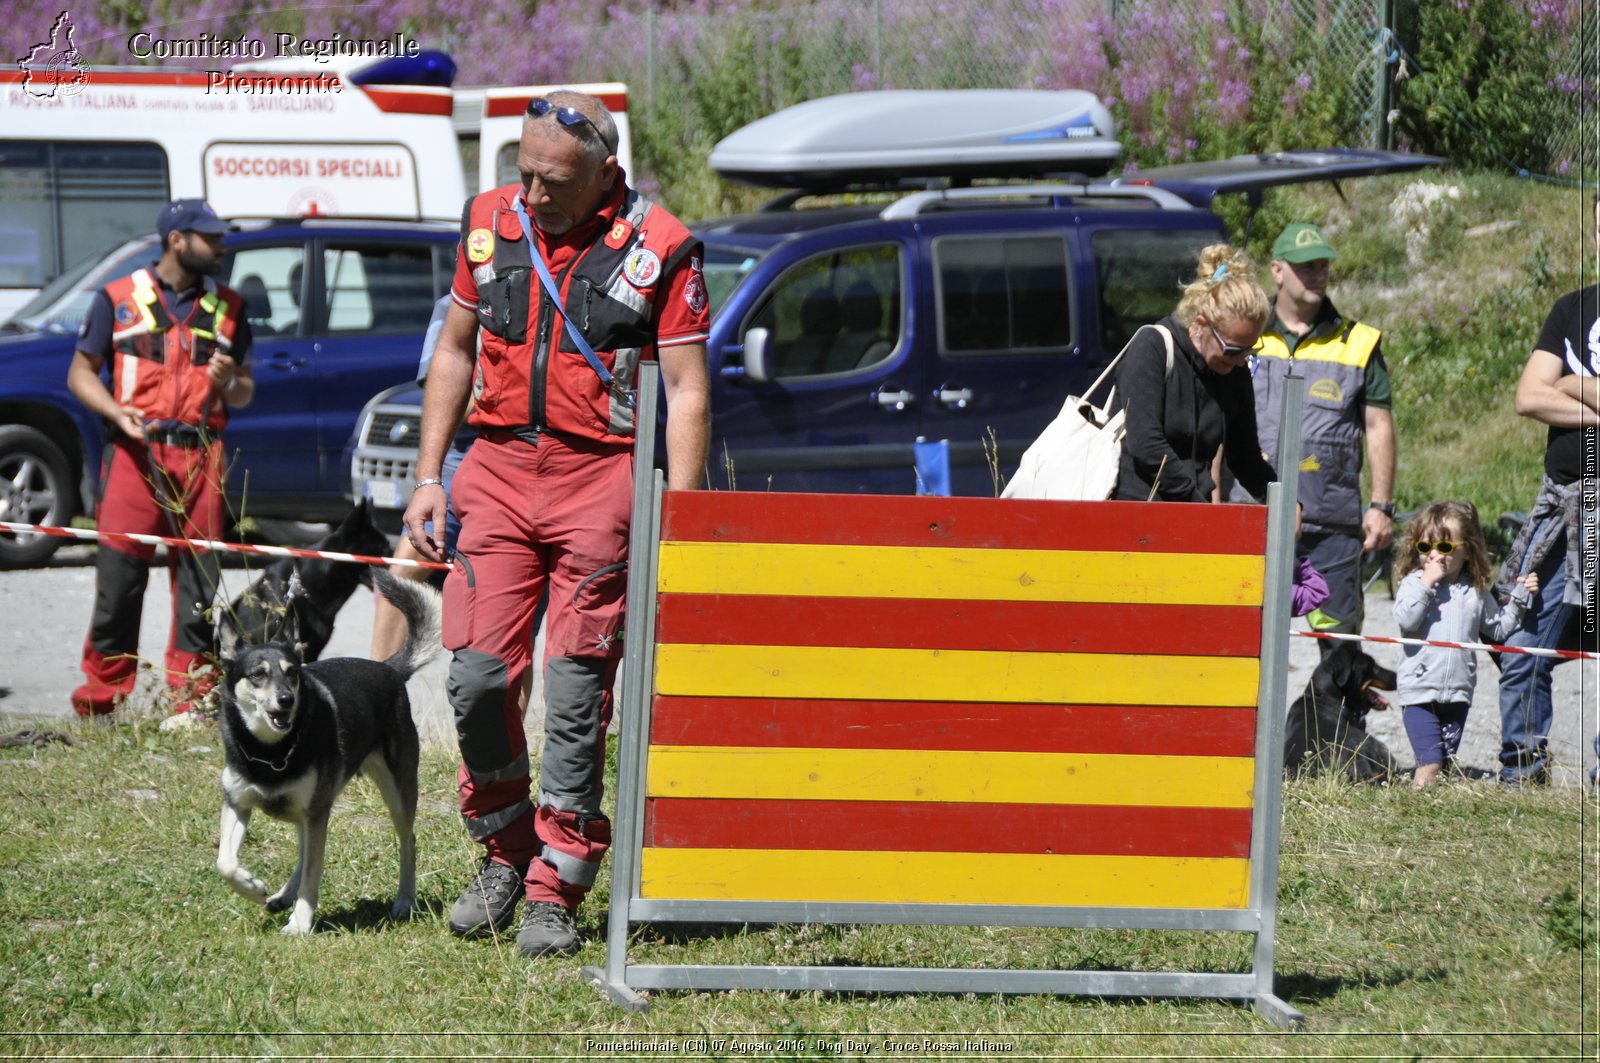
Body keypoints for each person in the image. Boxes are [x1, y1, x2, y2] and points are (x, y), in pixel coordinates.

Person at [403, 90, 711, 959]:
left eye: (554, 182)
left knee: (576, 697)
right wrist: (431, 476)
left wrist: (677, 516)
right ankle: (502, 852)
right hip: (496, 470)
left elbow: (686, 390)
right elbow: (455, 350)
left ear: (607, 174)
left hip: (598, 480)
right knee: (474, 678)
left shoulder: (663, 249)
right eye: (524, 174)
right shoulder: (487, 223)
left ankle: (556, 886)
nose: (532, 196)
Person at [67, 198, 255, 717]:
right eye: (210, 238)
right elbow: (80, 373)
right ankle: (101, 702)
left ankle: (189, 705)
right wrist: (115, 411)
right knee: (119, 586)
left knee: (199, 586)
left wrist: (228, 381)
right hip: (135, 453)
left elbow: (244, 392)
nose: (220, 247)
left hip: (203, 456)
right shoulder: (118, 299)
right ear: (177, 240)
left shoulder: (231, 307)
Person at [1234, 223, 1397, 646]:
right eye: (1305, 266)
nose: (1317, 274)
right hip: (1254, 516)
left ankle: (1331, 717)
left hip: (1333, 525)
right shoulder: (1245, 335)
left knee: (1339, 651)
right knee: (1243, 647)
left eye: (1322, 266)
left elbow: (1379, 425)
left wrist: (1382, 506)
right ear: (1277, 271)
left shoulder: (1359, 342)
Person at [1494, 196, 1599, 786]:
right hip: (1562, 501)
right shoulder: (1572, 308)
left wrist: (1571, 379)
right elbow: (1528, 397)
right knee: (1524, 636)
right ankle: (1522, 773)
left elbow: (1550, 386)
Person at [1114, 243, 1276, 503]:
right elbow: (1146, 445)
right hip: (1135, 512)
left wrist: (1282, 501)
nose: (1239, 361)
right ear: (1201, 325)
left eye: (1250, 350)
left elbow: (1244, 456)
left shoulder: (1234, 371)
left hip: (1193, 514)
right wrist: (1196, 505)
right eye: (1233, 349)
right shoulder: (1152, 347)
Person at [1393, 502, 1537, 788]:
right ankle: (1411, 812)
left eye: (1445, 548)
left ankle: (1433, 818)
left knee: (1444, 766)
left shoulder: (1475, 592)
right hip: (1419, 693)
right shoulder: (1413, 583)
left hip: (1459, 693)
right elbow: (1406, 620)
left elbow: (1498, 628)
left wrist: (1520, 598)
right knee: (1430, 764)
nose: (1434, 556)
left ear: (1467, 550)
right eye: (1425, 548)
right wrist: (1426, 584)